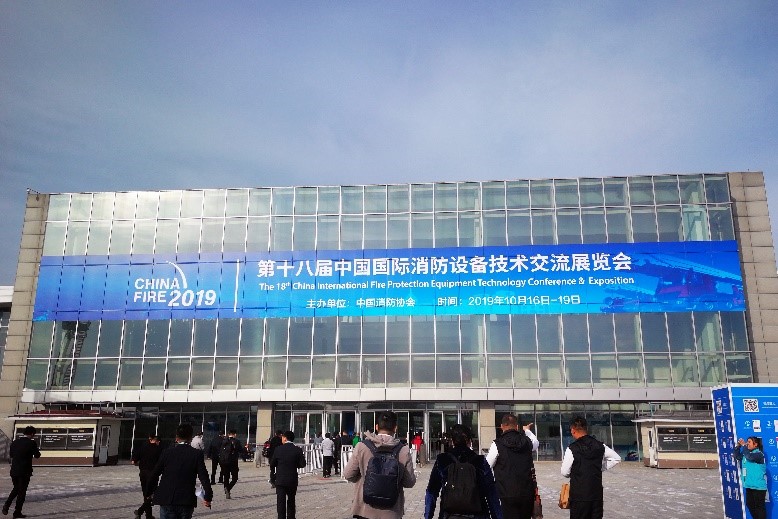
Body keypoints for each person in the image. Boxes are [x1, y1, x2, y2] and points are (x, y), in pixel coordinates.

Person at [343, 411, 416, 519]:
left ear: (376, 427)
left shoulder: (362, 447)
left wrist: (363, 476)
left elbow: (348, 475)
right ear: (395, 428)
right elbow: (409, 482)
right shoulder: (403, 450)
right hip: (392, 512)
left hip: (364, 510)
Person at [424, 423, 502, 519]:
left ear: (452, 441)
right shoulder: (480, 461)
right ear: (469, 441)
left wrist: (428, 516)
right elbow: (491, 493)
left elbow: (431, 492)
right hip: (477, 514)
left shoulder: (442, 459)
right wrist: (497, 516)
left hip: (449, 515)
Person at [147, 423, 213, 519]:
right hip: (186, 499)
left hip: (167, 498)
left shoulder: (167, 452)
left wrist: (148, 492)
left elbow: (155, 473)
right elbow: (204, 477)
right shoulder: (196, 454)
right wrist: (208, 497)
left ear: (177, 437)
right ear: (190, 438)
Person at [560, 417, 621, 519]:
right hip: (596, 495)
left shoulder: (572, 448)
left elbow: (564, 471)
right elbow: (616, 458)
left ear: (573, 430)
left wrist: (577, 472)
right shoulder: (600, 445)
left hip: (579, 495)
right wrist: (599, 467)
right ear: (586, 429)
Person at [485, 414, 539, 519]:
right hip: (526, 493)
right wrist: (527, 430)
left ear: (502, 426)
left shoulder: (497, 444)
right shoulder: (527, 441)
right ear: (517, 427)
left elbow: (487, 466)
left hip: (506, 493)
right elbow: (536, 443)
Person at [2, 425, 41, 518]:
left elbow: (11, 455)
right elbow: (37, 455)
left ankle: (7, 505)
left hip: (14, 470)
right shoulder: (31, 443)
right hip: (25, 471)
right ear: (32, 434)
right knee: (22, 492)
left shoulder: (15, 442)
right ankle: (17, 512)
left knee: (16, 488)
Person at [269, 430, 306, 519]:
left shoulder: (278, 449)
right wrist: (294, 464)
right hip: (292, 479)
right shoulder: (297, 450)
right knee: (291, 500)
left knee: (280, 502)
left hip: (280, 479)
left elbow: (272, 463)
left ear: (285, 438)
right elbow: (302, 464)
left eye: (282, 437)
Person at [735, 436, 767, 519]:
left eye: (749, 442)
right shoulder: (746, 453)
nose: (747, 443)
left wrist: (744, 446)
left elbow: (749, 457)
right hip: (749, 485)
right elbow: (737, 457)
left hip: (758, 487)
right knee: (750, 505)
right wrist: (738, 446)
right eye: (747, 442)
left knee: (759, 508)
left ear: (755, 444)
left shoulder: (759, 454)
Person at [131, 435, 163, 519]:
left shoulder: (142, 448)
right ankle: (140, 511)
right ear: (157, 441)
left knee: (146, 494)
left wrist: (141, 464)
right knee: (152, 495)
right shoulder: (159, 449)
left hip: (143, 473)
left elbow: (133, 462)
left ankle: (147, 515)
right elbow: (162, 463)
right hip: (153, 474)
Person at [219, 429, 243, 499]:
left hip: (224, 462)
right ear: (234, 434)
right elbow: (240, 450)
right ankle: (228, 488)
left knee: (226, 477)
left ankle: (226, 490)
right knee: (235, 478)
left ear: (228, 434)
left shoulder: (223, 441)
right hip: (233, 462)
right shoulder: (236, 441)